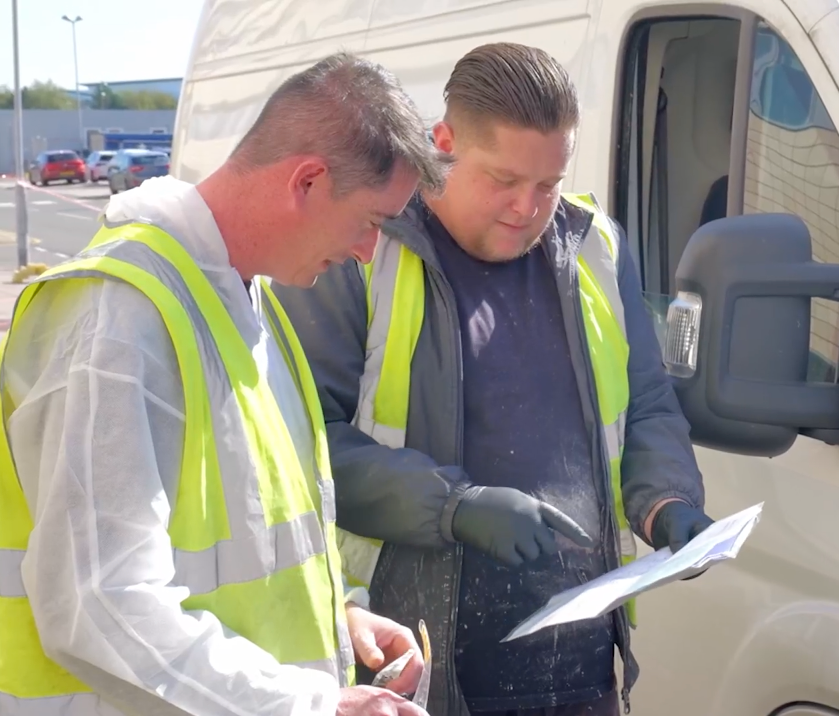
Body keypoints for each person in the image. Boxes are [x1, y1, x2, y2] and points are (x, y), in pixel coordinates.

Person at [0, 52, 452, 716]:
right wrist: (307, 706)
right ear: (306, 180)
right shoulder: (121, 320)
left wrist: (339, 618)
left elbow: (248, 542)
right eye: (371, 222)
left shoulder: (242, 298)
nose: (366, 252)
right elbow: (100, 602)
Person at [271, 42, 715, 716]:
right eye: (503, 180)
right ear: (442, 142)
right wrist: (456, 506)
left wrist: (666, 502)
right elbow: (300, 445)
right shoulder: (359, 249)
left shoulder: (595, 247)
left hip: (580, 668)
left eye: (547, 184)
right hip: (413, 666)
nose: (525, 208)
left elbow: (646, 402)